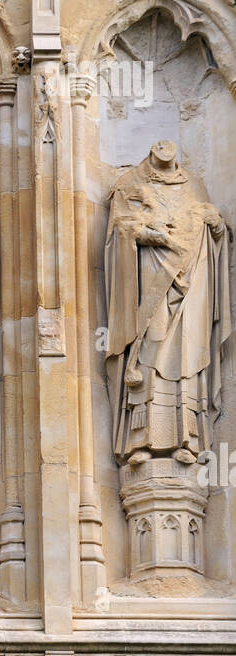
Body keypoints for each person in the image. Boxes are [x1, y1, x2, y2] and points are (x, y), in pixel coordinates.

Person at [105, 140, 231, 467]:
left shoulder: (195, 186)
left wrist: (217, 227)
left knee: (187, 354)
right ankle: (140, 440)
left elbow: (215, 232)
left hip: (193, 282)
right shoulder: (131, 184)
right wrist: (155, 234)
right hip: (152, 276)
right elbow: (121, 230)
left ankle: (190, 439)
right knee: (150, 349)